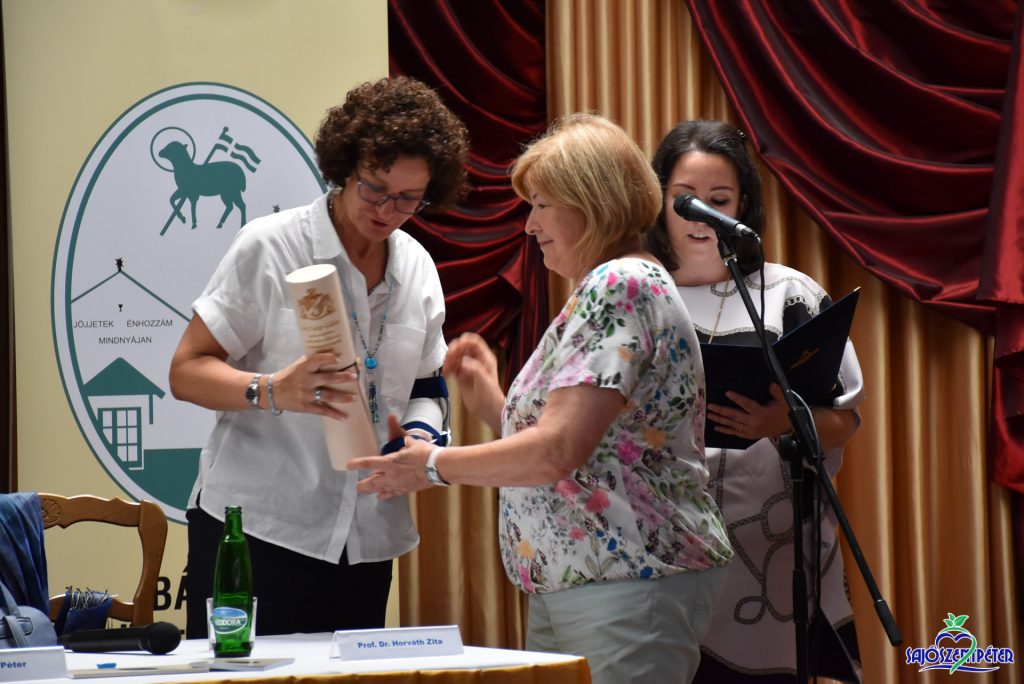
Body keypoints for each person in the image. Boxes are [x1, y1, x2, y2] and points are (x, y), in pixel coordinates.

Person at [348, 113, 733, 684]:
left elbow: (556, 451)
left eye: (541, 205)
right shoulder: (610, 285)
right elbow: (593, 444)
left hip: (628, 578)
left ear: (591, 203)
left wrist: (429, 465)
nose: (530, 226)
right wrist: (492, 400)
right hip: (586, 579)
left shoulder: (620, 285)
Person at [169, 76, 469, 638]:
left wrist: (421, 438)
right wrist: (271, 389)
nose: (388, 210)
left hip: (368, 537)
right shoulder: (271, 246)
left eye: (409, 199)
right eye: (375, 189)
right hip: (258, 530)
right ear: (344, 168)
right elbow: (186, 370)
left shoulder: (418, 268)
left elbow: (427, 385)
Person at [647, 119, 866, 682]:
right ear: (659, 202)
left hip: (775, 558)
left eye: (718, 201)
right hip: (661, 554)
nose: (701, 217)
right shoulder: (636, 294)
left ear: (742, 205)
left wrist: (782, 420)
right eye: (685, 201)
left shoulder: (790, 294)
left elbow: (845, 419)